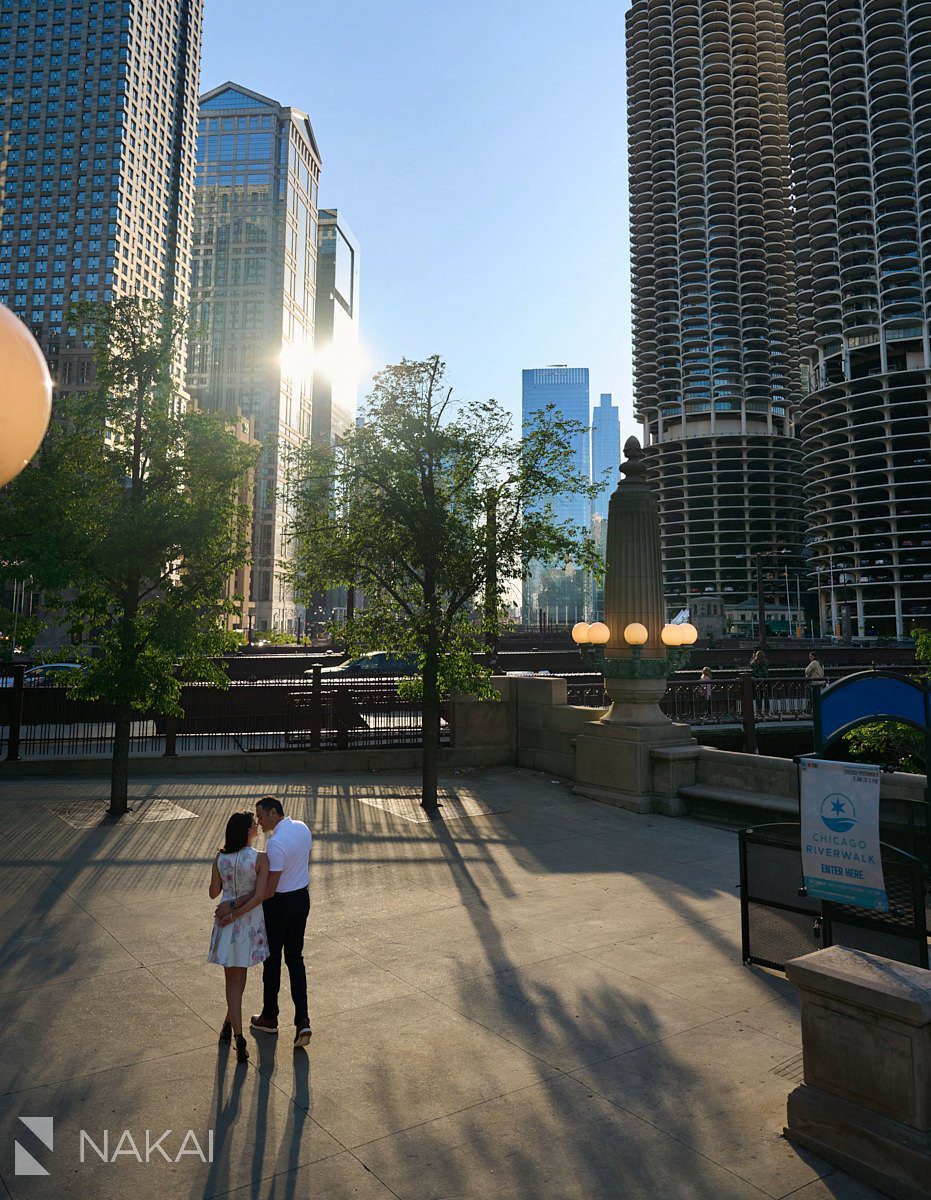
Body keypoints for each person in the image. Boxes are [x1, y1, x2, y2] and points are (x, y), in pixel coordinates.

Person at [218, 795, 313, 1049]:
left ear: (273, 813)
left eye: (260, 816)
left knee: (272, 961)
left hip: (279, 905)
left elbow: (268, 891)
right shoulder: (302, 828)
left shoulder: (275, 844)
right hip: (302, 898)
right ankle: (302, 1019)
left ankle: (270, 1017)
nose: (258, 822)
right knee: (295, 959)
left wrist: (235, 902)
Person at [208, 812, 270, 1063]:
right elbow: (260, 895)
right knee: (240, 979)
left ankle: (230, 1025)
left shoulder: (220, 857)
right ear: (246, 831)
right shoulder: (260, 859)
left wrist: (230, 903)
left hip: (225, 923)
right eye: (254, 825)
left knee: (232, 982)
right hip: (248, 923)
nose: (257, 826)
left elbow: (214, 893)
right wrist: (237, 911)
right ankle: (238, 1035)